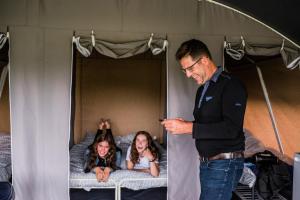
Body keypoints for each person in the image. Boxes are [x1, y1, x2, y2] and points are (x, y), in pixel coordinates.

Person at [161, 39, 247, 200]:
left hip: (224, 163)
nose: (187, 74)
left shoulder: (231, 85)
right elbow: (207, 124)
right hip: (208, 163)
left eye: (190, 68)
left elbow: (231, 128)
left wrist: (189, 128)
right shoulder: (202, 90)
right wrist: (185, 125)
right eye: (184, 70)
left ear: (205, 60)